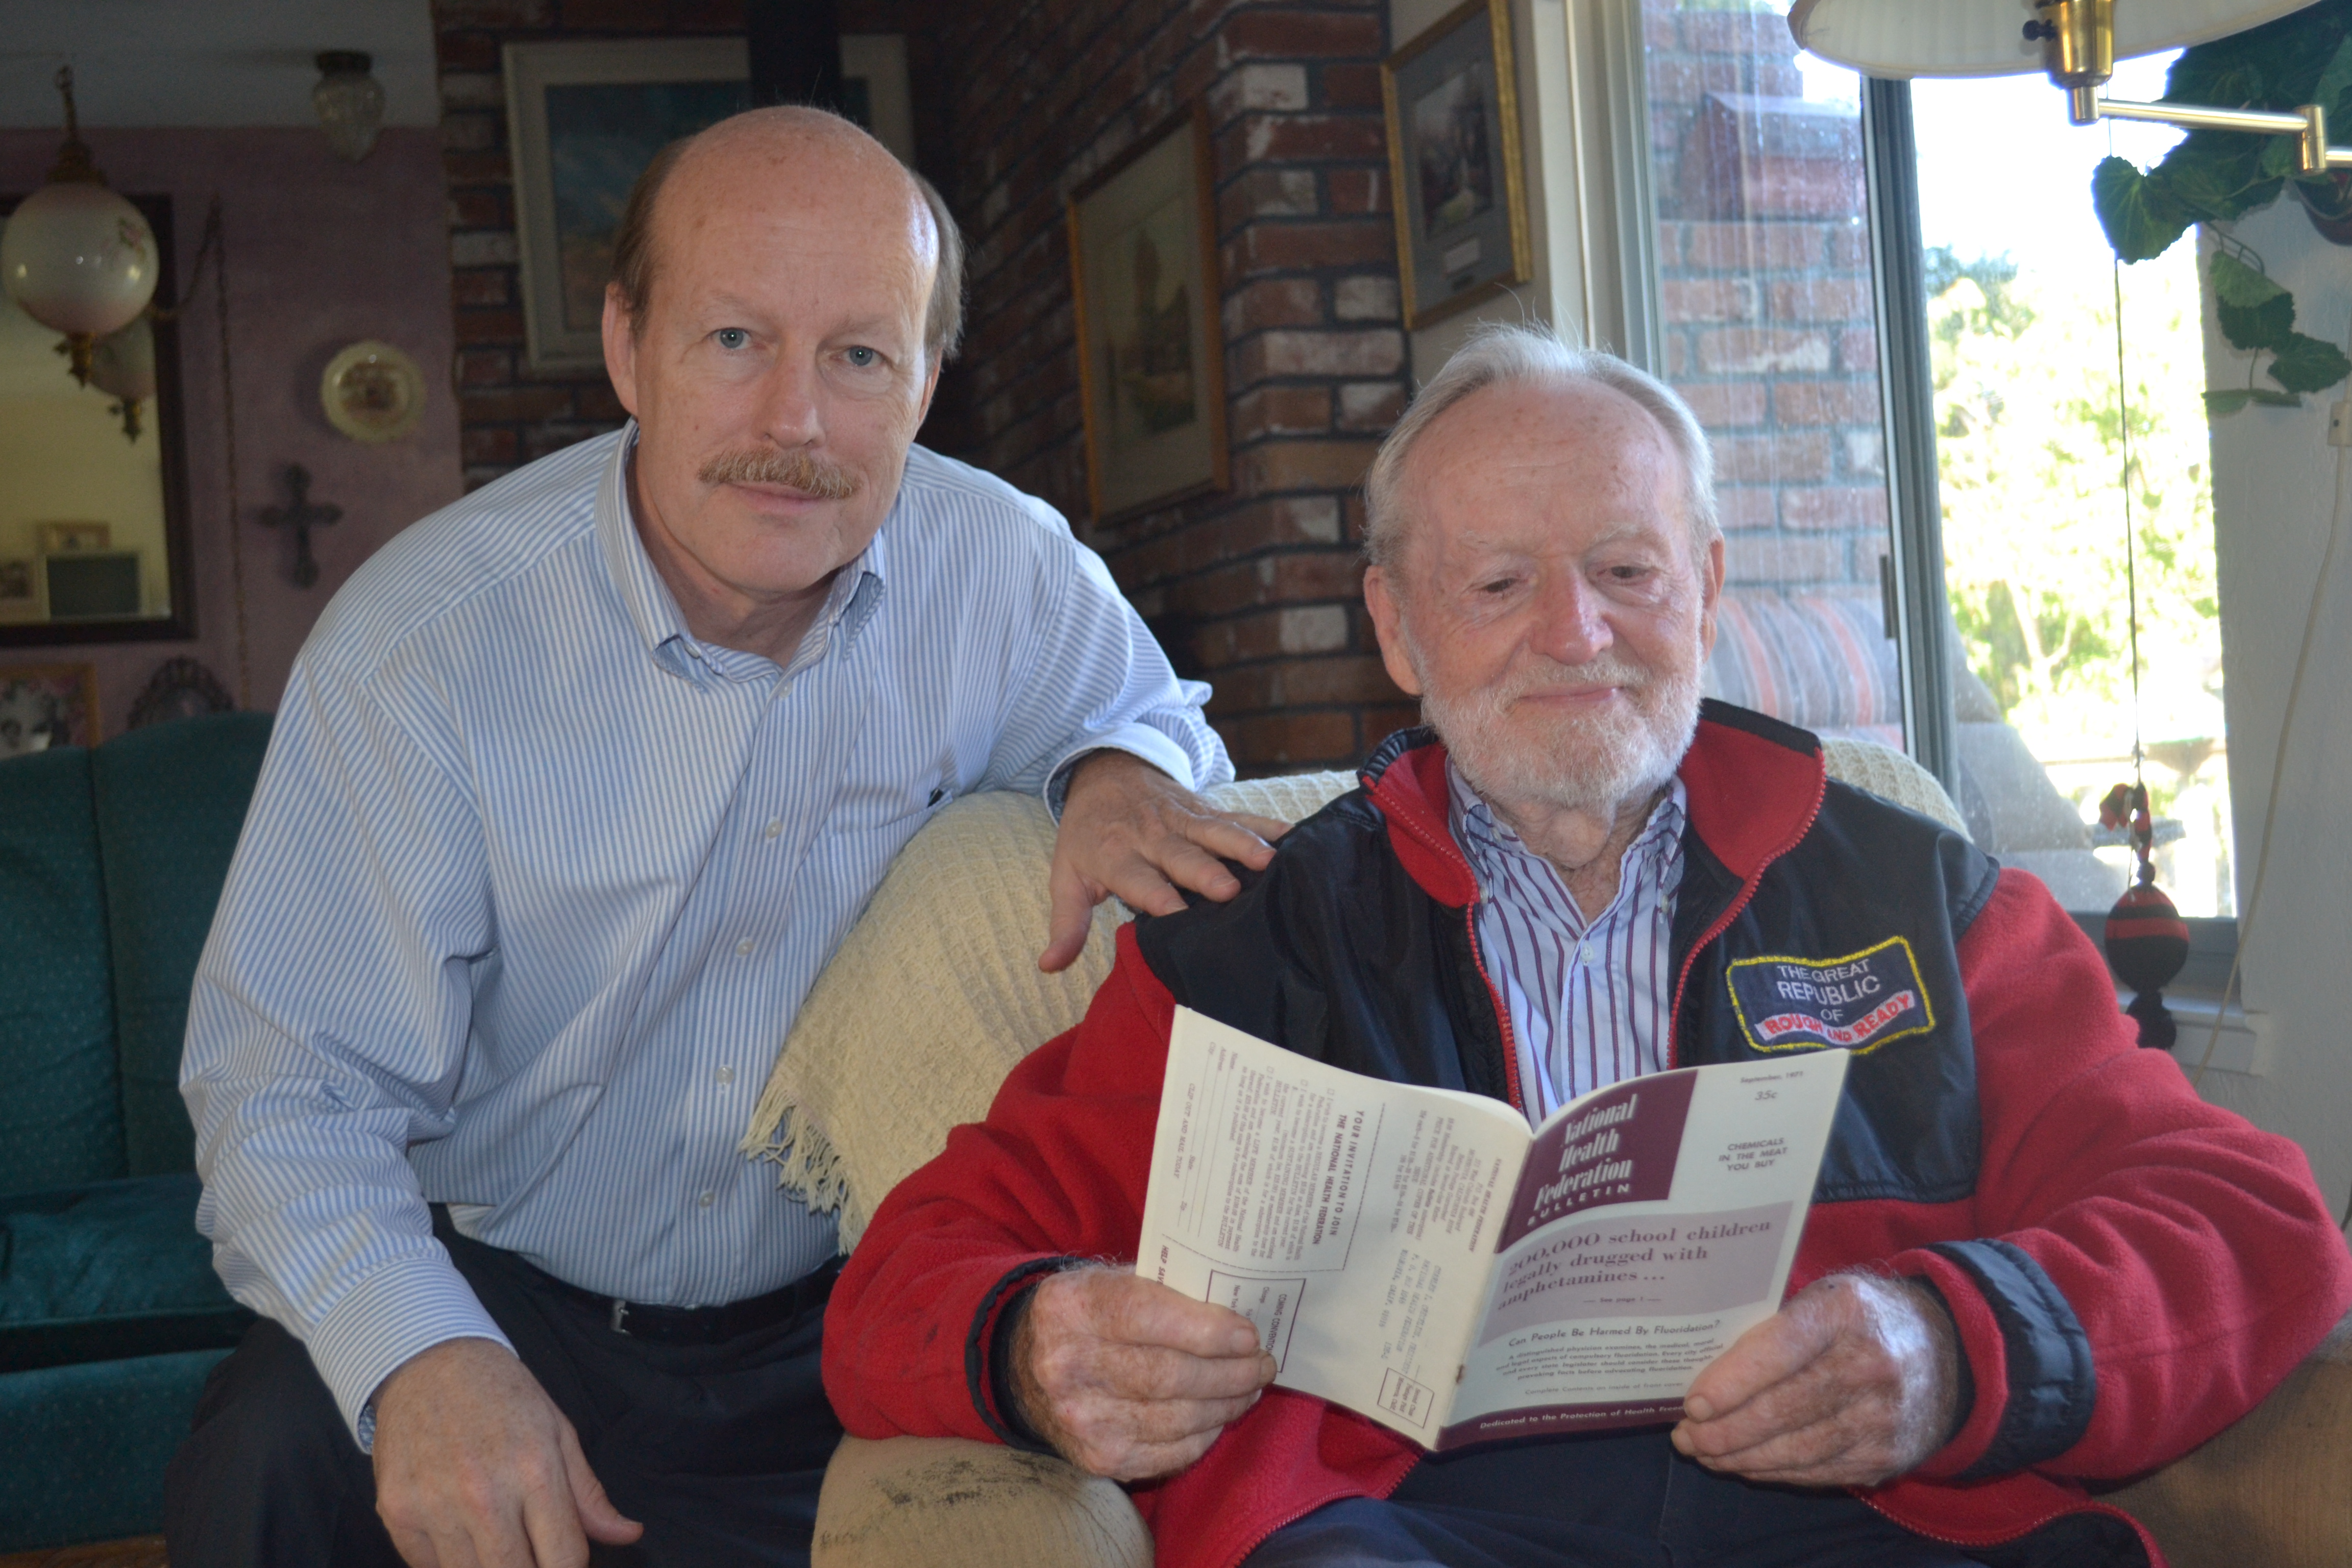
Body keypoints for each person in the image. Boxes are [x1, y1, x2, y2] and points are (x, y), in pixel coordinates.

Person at [823, 323, 2352, 1568]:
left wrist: (1951, 1344)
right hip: (1407, 1526)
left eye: (1627, 571)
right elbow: (913, 1269)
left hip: (1867, 1515)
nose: (1576, 632)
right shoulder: (1245, 946)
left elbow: (2253, 1221)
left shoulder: (1925, 905)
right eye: (1498, 585)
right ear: (1398, 629)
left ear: (1708, 588)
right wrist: (1038, 1344)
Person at [165, 108, 1289, 1568]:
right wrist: (425, 1356)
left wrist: (1117, 767)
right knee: (265, 1461)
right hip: (515, 1296)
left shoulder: (1002, 568)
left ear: (926, 382)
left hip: (860, 1309)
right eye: (736, 339)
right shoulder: (425, 646)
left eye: (859, 356)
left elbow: (1153, 722)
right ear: (628, 348)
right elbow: (287, 1089)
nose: (794, 424)